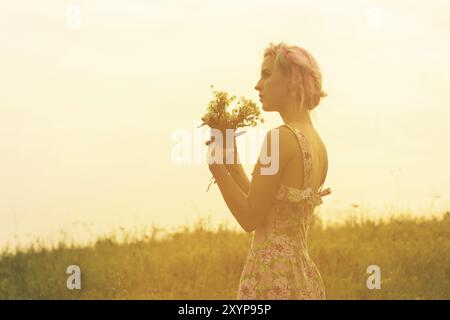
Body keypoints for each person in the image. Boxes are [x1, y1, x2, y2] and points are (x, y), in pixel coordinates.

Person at [206, 42, 331, 299]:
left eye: (266, 74)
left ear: (290, 81)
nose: (257, 85)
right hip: (302, 278)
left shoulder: (280, 138)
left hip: (271, 278)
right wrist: (232, 163)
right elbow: (268, 206)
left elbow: (251, 218)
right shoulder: (318, 145)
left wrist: (217, 168)